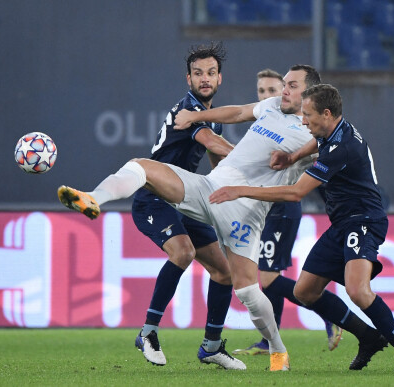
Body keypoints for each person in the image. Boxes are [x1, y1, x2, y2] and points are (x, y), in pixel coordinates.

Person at [57, 64, 322, 372]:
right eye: (284, 84)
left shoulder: (312, 135)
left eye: (291, 86)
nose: (283, 90)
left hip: (245, 210)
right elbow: (238, 113)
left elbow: (323, 166)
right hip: (210, 188)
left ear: (309, 93)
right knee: (141, 166)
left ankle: (277, 350)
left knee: (248, 290)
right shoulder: (274, 107)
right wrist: (197, 117)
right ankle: (93, 198)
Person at [208, 84, 394, 371]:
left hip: (364, 220)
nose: (303, 120)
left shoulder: (341, 149)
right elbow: (316, 142)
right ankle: (368, 337)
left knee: (359, 292)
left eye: (308, 115)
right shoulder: (333, 130)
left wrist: (241, 190)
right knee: (304, 291)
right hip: (342, 224)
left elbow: (295, 193)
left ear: (327, 113)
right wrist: (293, 157)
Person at [126, 43, 245, 370]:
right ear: (188, 78)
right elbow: (214, 144)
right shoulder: (187, 111)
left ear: (220, 78)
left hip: (183, 200)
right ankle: (147, 333)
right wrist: (259, 161)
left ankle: (211, 346)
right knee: (183, 253)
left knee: (223, 271)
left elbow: (216, 159)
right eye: (197, 73)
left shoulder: (209, 117)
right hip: (152, 197)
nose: (204, 79)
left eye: (210, 73)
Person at [232, 69, 342, 356]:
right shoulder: (266, 121)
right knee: (268, 273)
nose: (267, 96)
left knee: (267, 277)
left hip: (283, 206)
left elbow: (322, 153)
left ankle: (328, 310)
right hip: (265, 206)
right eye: (262, 91)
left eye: (273, 90)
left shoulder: (303, 127)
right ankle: (269, 340)